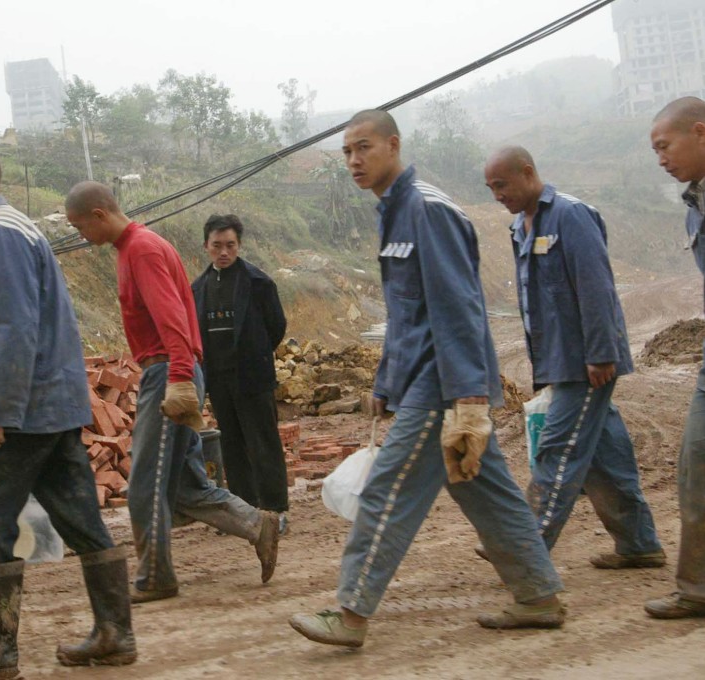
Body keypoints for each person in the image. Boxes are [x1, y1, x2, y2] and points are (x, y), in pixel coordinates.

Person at [289, 110, 565, 648]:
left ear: (393, 145)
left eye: (363, 147)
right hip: (425, 380)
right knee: (488, 492)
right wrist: (384, 383)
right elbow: (407, 313)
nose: (353, 160)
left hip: (441, 387)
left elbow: (458, 308)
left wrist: (467, 401)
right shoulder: (394, 213)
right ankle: (538, 595)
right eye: (346, 152)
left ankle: (349, 613)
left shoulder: (427, 211)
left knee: (386, 493)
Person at [0, 142, 135, 679]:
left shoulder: (1, 235)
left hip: (28, 409)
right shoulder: (7, 230)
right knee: (80, 516)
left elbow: (12, 330)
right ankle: (116, 633)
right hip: (52, 403)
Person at [65, 182, 281, 604]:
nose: (79, 236)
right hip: (170, 369)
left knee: (145, 481)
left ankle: (156, 575)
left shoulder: (142, 250)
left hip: (168, 372)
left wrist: (180, 376)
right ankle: (258, 525)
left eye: (78, 226)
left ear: (98, 214)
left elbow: (172, 318)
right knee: (182, 486)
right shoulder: (133, 249)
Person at [483, 147, 664, 568]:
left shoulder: (571, 216)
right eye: (490, 188)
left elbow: (597, 287)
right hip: (557, 358)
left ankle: (523, 550)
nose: (497, 195)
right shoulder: (519, 227)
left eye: (502, 184)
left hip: (586, 361)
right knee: (606, 456)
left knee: (557, 450)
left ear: (528, 173)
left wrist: (601, 354)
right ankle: (640, 544)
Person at [191, 214, 290, 531]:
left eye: (230, 245)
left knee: (264, 445)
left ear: (239, 245)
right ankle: (244, 515)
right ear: (206, 246)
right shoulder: (198, 288)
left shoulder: (258, 283)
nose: (223, 251)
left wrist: (255, 353)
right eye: (217, 245)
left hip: (252, 377)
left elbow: (276, 326)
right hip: (218, 380)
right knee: (232, 447)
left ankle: (275, 513)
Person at [645, 96, 705, 618]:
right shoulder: (694, 207)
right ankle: (697, 589)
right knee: (696, 462)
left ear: (701, 132)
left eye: (665, 145)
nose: (660, 158)